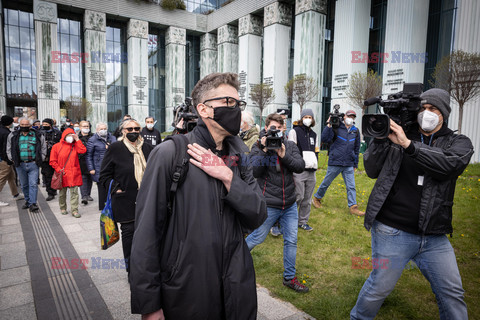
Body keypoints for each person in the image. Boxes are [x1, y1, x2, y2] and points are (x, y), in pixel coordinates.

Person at [129, 72, 267, 319]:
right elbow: (147, 232)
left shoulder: (240, 154)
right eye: (228, 102)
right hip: (187, 291)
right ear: (203, 110)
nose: (235, 109)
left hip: (237, 287)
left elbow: (257, 214)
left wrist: (227, 177)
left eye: (238, 103)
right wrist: (149, 305)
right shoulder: (169, 154)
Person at [350, 88, 473, 319]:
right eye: (423, 109)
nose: (427, 113)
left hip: (434, 236)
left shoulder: (458, 142)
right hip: (392, 231)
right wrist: (380, 138)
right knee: (379, 287)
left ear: (444, 113)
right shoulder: (400, 134)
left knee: (452, 293)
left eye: (433, 109)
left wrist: (409, 145)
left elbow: (449, 166)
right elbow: (372, 170)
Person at [246, 113, 308, 293]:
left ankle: (289, 278)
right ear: (266, 129)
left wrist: (283, 154)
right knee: (257, 237)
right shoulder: (258, 147)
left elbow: (299, 166)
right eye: (273, 129)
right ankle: (232, 262)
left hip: (289, 203)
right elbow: (255, 172)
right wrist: (265, 149)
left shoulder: (289, 145)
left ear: (284, 130)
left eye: (280, 129)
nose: (277, 132)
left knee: (292, 240)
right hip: (269, 203)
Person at [99, 119, 154, 274]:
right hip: (125, 201)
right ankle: (132, 271)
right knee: (129, 236)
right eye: (129, 129)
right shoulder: (115, 148)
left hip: (147, 200)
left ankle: (146, 268)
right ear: (123, 130)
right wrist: (115, 188)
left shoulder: (149, 148)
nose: (133, 132)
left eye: (136, 128)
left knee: (148, 237)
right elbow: (103, 176)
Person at [312, 109, 364, 216]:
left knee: (351, 186)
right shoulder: (336, 127)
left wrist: (355, 163)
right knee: (326, 183)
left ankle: (353, 206)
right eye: (349, 116)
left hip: (348, 163)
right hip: (335, 161)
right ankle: (317, 198)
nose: (350, 118)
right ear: (344, 116)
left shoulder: (355, 131)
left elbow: (356, 148)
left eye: (353, 117)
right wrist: (329, 125)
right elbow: (325, 138)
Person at [7, 118, 46, 212]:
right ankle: (28, 201)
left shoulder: (37, 135)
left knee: (33, 184)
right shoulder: (13, 135)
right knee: (24, 185)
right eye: (22, 125)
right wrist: (11, 158)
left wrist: (41, 158)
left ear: (30, 125)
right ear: (19, 125)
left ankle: (33, 203)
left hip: (33, 164)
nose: (24, 126)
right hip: (20, 164)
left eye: (26, 125)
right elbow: (8, 148)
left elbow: (43, 147)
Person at [288, 109, 318, 231]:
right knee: (298, 196)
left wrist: (315, 163)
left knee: (307, 199)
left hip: (311, 170)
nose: (308, 119)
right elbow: (291, 150)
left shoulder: (314, 134)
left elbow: (316, 151)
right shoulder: (294, 132)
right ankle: (289, 220)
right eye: (305, 117)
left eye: (310, 117)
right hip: (299, 170)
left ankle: (302, 221)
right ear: (301, 118)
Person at [49, 128, 86, 218]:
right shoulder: (56, 146)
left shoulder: (75, 145)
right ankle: (63, 207)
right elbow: (52, 161)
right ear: (64, 136)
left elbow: (83, 150)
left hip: (73, 173)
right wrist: (59, 169)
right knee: (62, 193)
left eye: (72, 136)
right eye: (68, 135)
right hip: (63, 174)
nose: (70, 137)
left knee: (74, 193)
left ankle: (74, 210)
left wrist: (77, 140)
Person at [86, 122, 116, 210]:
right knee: (101, 187)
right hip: (99, 166)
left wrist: (111, 148)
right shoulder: (93, 140)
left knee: (111, 186)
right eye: (101, 129)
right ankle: (103, 206)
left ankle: (112, 204)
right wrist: (91, 168)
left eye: (105, 129)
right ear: (97, 130)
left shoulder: (112, 138)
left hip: (112, 165)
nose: (103, 131)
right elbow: (89, 155)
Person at [0, 116, 23, 206]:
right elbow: (5, 148)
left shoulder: (2, 130)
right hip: (4, 160)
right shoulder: (5, 133)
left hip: (3, 159)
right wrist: (9, 160)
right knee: (2, 178)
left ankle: (15, 194)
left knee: (11, 177)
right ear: (9, 123)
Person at [40, 118, 61, 201]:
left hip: (56, 157)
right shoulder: (40, 133)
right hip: (46, 158)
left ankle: (55, 188)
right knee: (47, 175)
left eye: (46, 124)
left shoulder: (57, 133)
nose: (45, 126)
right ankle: (50, 192)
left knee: (55, 174)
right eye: (43, 124)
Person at [78, 121, 93, 205]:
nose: (86, 128)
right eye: (84, 126)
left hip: (91, 161)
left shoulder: (93, 136)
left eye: (87, 126)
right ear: (80, 127)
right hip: (81, 161)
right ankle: (84, 196)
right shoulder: (77, 137)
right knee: (83, 179)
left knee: (90, 178)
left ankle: (88, 194)